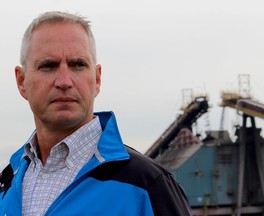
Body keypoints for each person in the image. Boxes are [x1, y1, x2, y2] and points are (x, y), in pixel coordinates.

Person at [0, 11, 193, 216]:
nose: (64, 81)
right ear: (21, 81)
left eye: (78, 65)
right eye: (48, 66)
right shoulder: (8, 185)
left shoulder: (147, 185)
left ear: (97, 79)